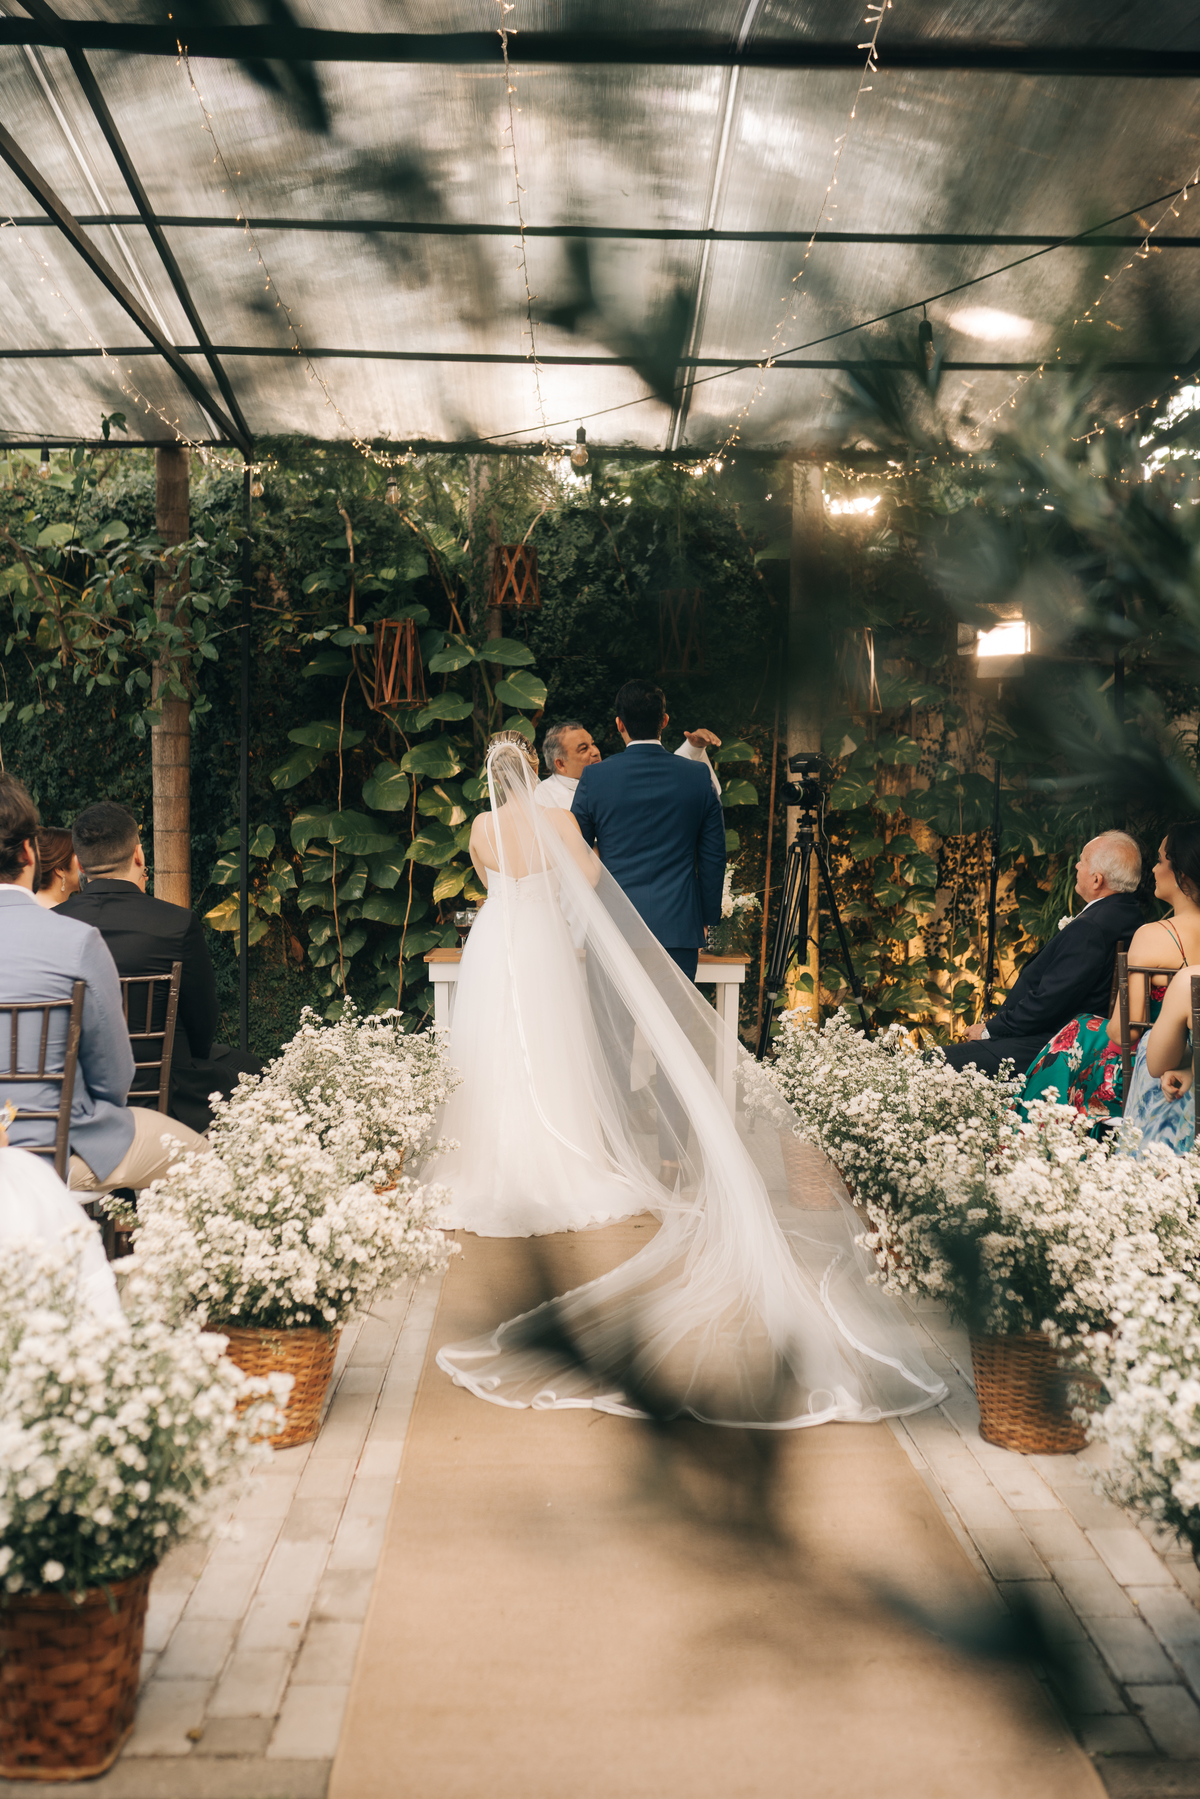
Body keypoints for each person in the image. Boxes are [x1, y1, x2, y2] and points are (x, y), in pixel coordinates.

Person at [427, 734, 947, 1432]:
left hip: (497, 940)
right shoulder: (555, 819)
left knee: (495, 1049)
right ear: (537, 771)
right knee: (554, 1050)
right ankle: (567, 1159)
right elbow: (586, 876)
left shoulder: (484, 827)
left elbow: (489, 880)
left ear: (491, 778)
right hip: (544, 939)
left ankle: (496, 1160)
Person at [0, 774, 203, 1192]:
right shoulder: (74, 943)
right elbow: (114, 1078)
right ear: (28, 851)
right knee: (201, 1160)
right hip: (58, 1153)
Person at [571, 680, 727, 1177]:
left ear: (618, 725)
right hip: (677, 931)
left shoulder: (596, 780)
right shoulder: (695, 778)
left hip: (613, 931)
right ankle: (670, 1159)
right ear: (664, 721)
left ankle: (615, 1159)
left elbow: (574, 855)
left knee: (613, 1041)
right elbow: (712, 855)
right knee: (674, 1045)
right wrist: (705, 917)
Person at [58, 802, 260, 1134]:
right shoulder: (177, 923)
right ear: (139, 855)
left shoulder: (53, 924)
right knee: (252, 1068)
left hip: (79, 1092)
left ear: (80, 864)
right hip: (170, 1094)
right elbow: (202, 1024)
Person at [1023, 824, 1200, 1124]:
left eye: (1159, 860)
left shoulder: (1154, 935)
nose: (1153, 870)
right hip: (1191, 1064)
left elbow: (1123, 1032)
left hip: (1148, 1071)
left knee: (1075, 1034)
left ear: (1180, 874)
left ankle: (1038, 1139)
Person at [944, 831, 1144, 1078]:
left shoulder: (1092, 927)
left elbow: (1050, 1000)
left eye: (1083, 861)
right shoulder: (1129, 914)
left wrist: (990, 1030)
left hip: (1052, 1045)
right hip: (1076, 1038)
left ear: (1096, 880)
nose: (1077, 866)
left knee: (934, 1061)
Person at [535, 717, 723, 811]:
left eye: (593, 744)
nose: (595, 751)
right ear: (560, 764)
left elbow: (656, 778)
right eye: (583, 749)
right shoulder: (542, 799)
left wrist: (693, 749)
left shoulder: (611, 775)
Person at [33, 828, 81, 909]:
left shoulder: (23, 908)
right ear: (60, 869)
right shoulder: (66, 916)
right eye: (79, 856)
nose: (85, 862)